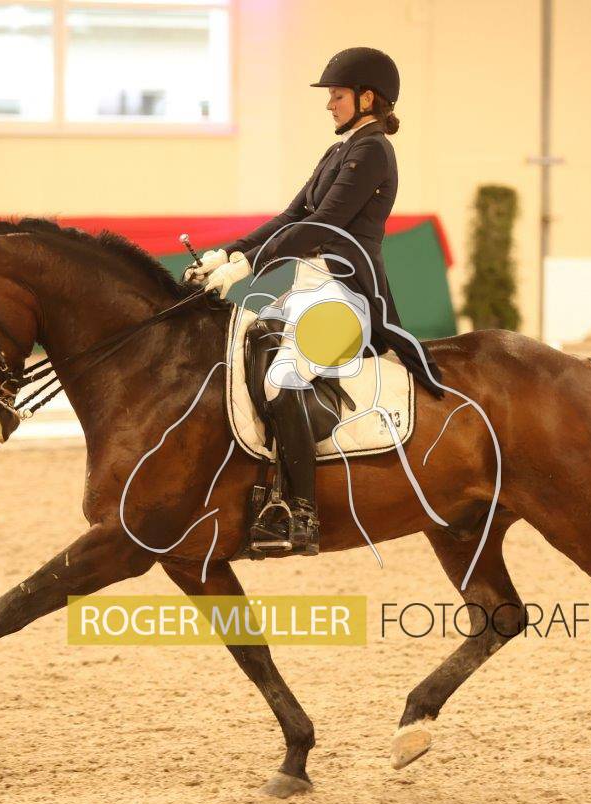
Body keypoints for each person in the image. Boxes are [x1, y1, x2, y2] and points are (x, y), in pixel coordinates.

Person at [183, 46, 446, 556]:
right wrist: (226, 253)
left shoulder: (373, 152)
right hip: (308, 289)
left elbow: (323, 224)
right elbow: (291, 217)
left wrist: (248, 267)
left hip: (347, 296)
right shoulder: (338, 152)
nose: (329, 103)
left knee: (283, 380)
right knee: (244, 352)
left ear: (367, 99)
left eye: (338, 95)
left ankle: (301, 513)